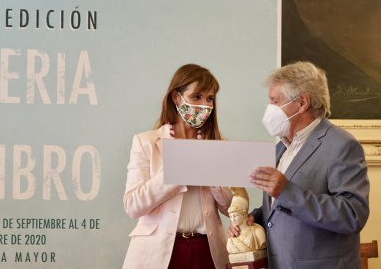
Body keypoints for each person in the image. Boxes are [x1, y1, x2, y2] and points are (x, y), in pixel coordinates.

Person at [230, 61, 370, 268]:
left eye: (276, 101)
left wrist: (287, 191)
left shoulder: (342, 145)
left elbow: (352, 215)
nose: (270, 109)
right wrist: (253, 220)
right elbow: (279, 207)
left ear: (302, 103)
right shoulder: (281, 148)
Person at [122, 64, 233, 269]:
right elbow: (132, 205)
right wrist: (178, 169)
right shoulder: (146, 142)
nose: (204, 105)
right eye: (196, 97)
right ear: (176, 98)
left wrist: (212, 176)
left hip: (207, 251)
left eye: (210, 99)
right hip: (157, 253)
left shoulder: (218, 146)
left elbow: (230, 208)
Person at [226, 187, 266, 255]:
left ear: (244, 215)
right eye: (231, 216)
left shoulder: (258, 232)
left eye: (235, 215)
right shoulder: (231, 240)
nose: (233, 219)